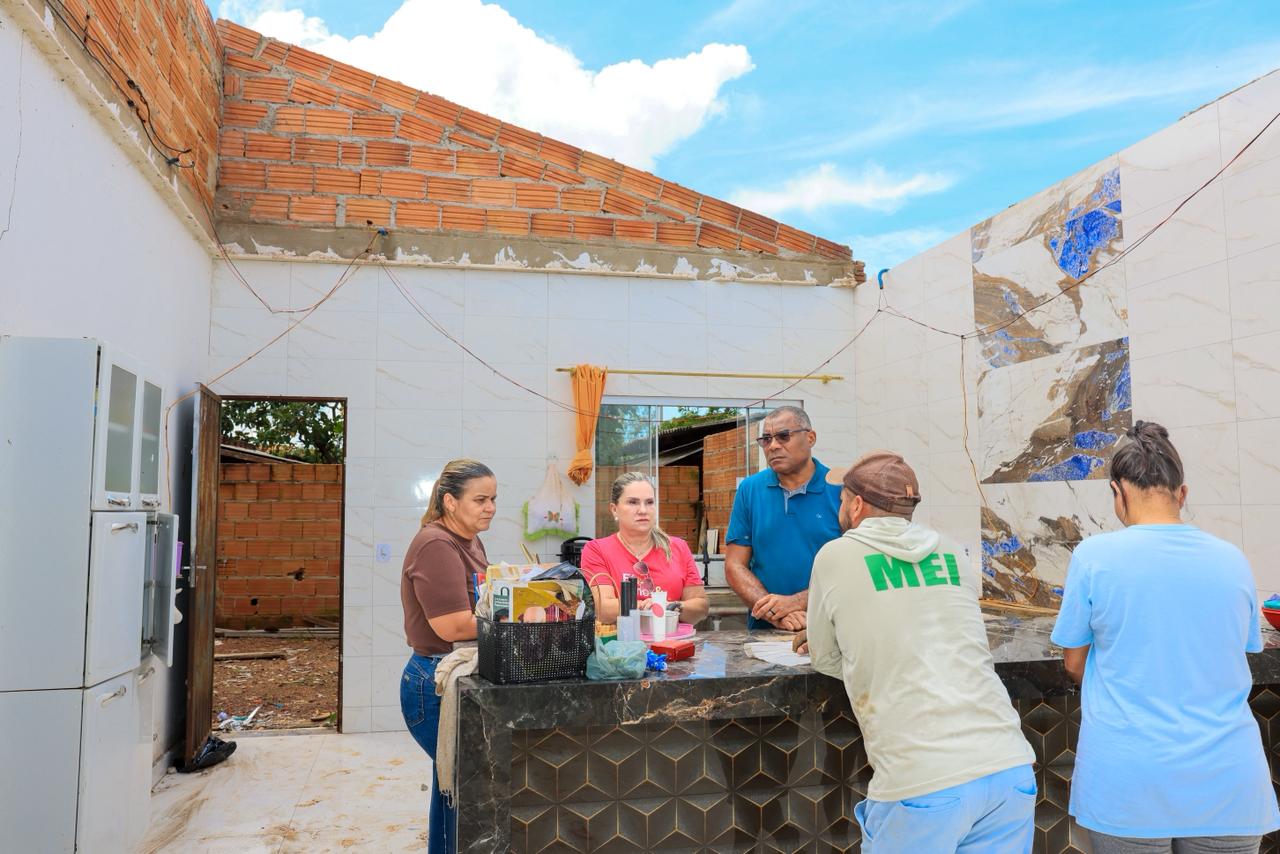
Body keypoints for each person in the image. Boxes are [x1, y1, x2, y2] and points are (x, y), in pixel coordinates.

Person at [1051, 422, 1280, 853]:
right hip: (1228, 782)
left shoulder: (1094, 558)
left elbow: (1074, 663)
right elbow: (1241, 651)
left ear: (1117, 492)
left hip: (1128, 784)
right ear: (1182, 493)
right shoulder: (1233, 561)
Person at [797, 450, 1037, 853]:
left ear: (856, 505)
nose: (839, 507)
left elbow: (824, 658)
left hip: (923, 781)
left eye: (841, 499)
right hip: (1007, 768)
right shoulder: (950, 550)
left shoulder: (836, 555)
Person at [400, 459, 496, 854]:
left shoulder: (470, 540)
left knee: (454, 787)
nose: (490, 507)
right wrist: (520, 617)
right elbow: (452, 626)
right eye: (480, 499)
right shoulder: (436, 544)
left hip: (457, 677)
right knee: (464, 785)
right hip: (434, 683)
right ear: (450, 501)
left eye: (493, 499)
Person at [725, 405, 842, 630]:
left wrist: (795, 603)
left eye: (783, 436)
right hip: (765, 633)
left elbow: (857, 570)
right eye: (766, 439)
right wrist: (774, 613)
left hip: (832, 630)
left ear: (810, 438)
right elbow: (734, 565)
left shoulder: (841, 490)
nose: (774, 446)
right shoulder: (750, 490)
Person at [582, 471, 709, 626]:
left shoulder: (678, 547)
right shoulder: (597, 550)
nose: (643, 510)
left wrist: (671, 606)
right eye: (633, 502)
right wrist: (649, 607)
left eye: (649, 502)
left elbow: (701, 607)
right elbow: (603, 609)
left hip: (671, 643)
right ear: (614, 509)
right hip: (621, 647)